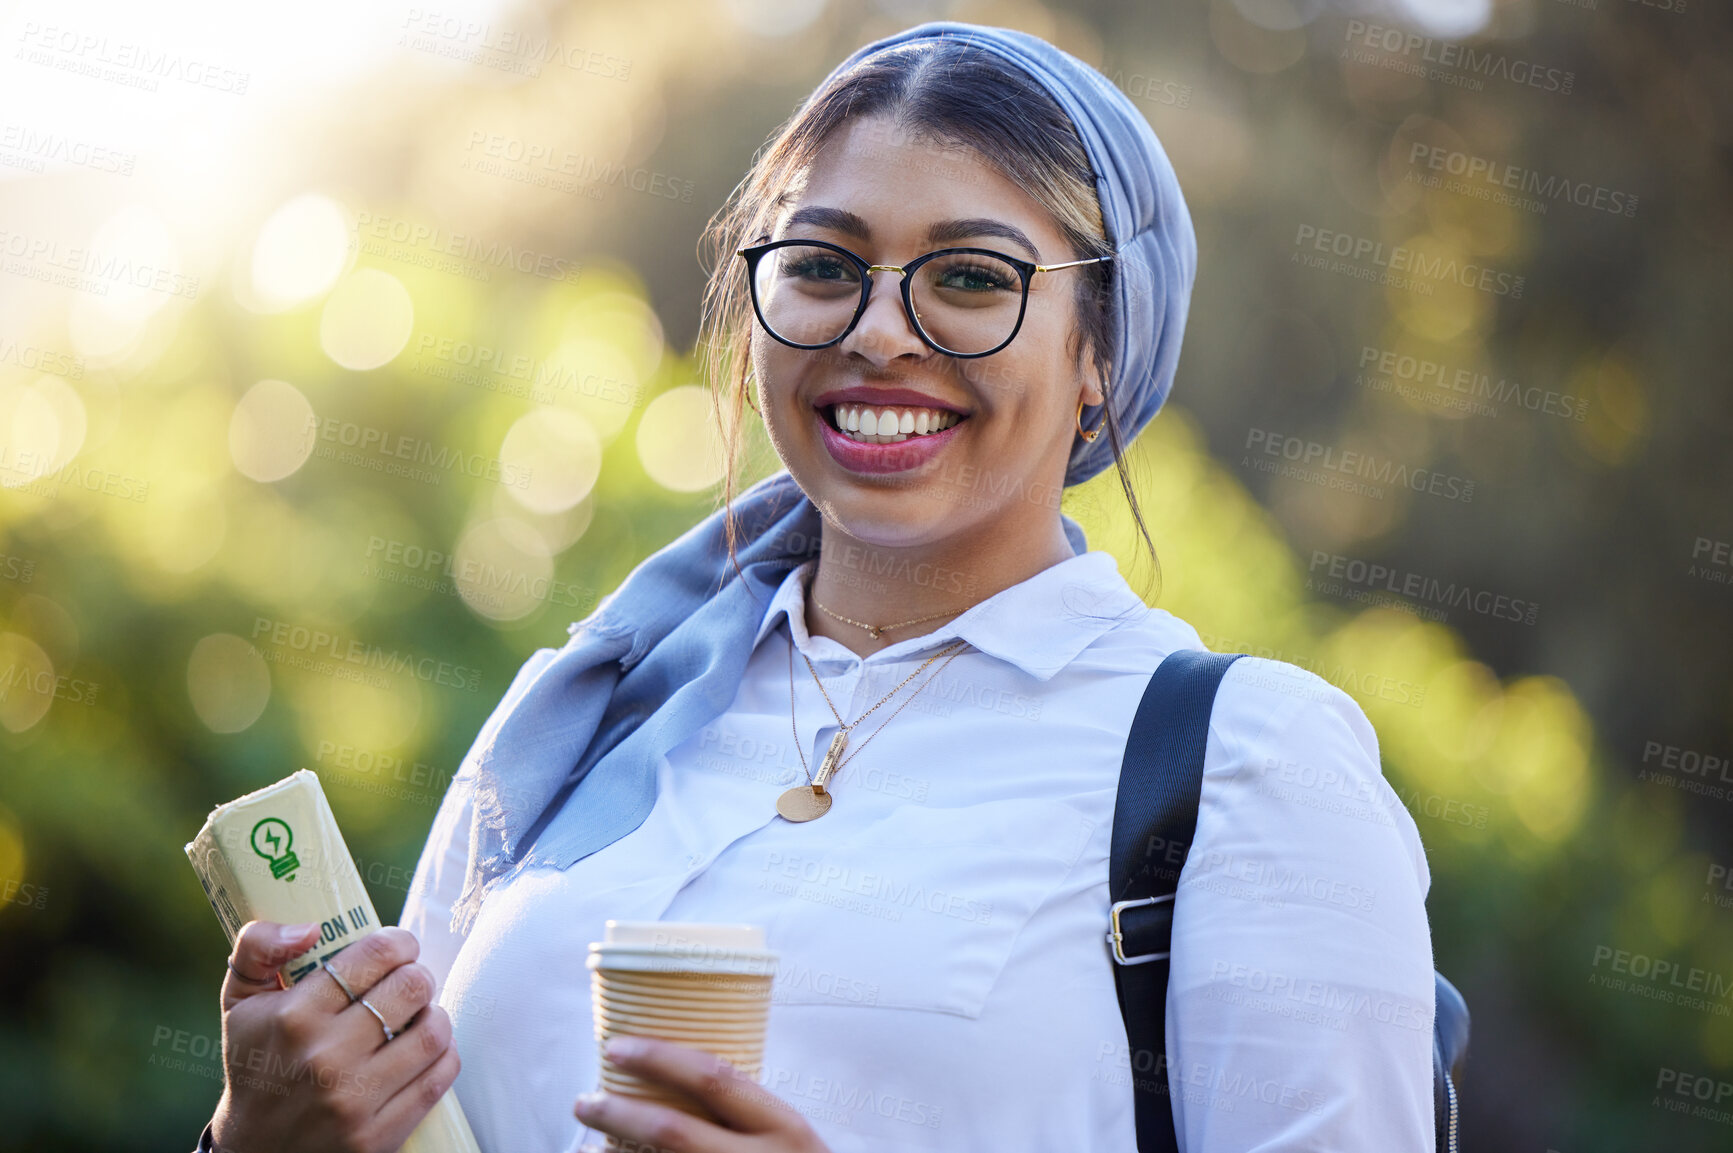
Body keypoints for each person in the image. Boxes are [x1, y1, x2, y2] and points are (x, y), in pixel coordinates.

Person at [197, 20, 1436, 1153]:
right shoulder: (593, 720)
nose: (878, 330)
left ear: (1099, 352)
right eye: (823, 265)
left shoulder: (1242, 766)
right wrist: (259, 1138)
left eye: (971, 277)